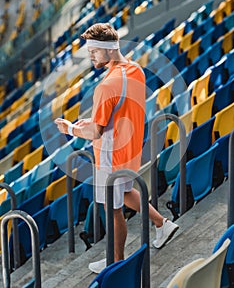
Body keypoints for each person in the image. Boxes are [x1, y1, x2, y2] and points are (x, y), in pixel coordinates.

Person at [55, 23, 179, 274]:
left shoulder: (106, 86)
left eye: (94, 52)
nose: (90, 57)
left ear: (109, 50)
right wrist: (91, 121)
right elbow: (121, 111)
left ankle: (116, 261)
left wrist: (70, 128)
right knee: (125, 193)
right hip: (130, 148)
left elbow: (96, 133)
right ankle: (162, 224)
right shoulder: (135, 70)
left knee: (112, 211)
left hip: (110, 156)